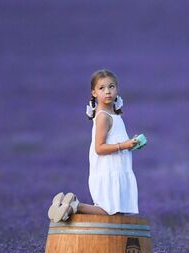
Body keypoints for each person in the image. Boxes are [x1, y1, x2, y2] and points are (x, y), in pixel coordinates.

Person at [47, 69, 141, 223]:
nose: (108, 92)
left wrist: (131, 144)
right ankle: (75, 205)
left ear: (117, 90)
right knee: (111, 213)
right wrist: (124, 145)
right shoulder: (103, 116)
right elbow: (99, 148)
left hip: (117, 169)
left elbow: (115, 141)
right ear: (94, 93)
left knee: (116, 214)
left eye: (111, 87)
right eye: (102, 88)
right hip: (109, 172)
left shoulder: (115, 115)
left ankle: (67, 207)